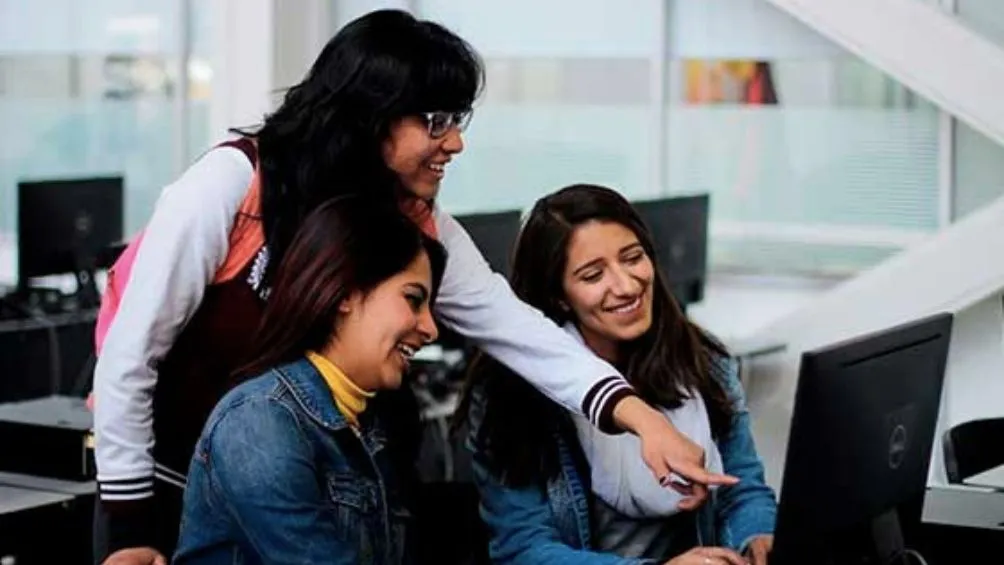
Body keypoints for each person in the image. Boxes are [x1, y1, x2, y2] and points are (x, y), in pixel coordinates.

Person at [92, 10, 732, 565]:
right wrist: (127, 525)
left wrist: (643, 419)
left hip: (314, 473)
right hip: (166, 479)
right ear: (369, 117)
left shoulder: (412, 220)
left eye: (458, 119)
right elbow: (129, 356)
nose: (454, 142)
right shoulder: (234, 185)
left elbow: (515, 329)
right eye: (436, 120)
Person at [459, 184, 777, 565]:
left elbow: (743, 489)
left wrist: (756, 537)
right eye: (593, 276)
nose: (627, 286)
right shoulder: (509, 393)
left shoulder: (701, 360)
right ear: (558, 296)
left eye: (633, 257)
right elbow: (524, 550)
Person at [172, 196, 445, 564]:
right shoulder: (259, 420)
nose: (430, 328)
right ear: (346, 292)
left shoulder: (367, 419)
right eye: (413, 300)